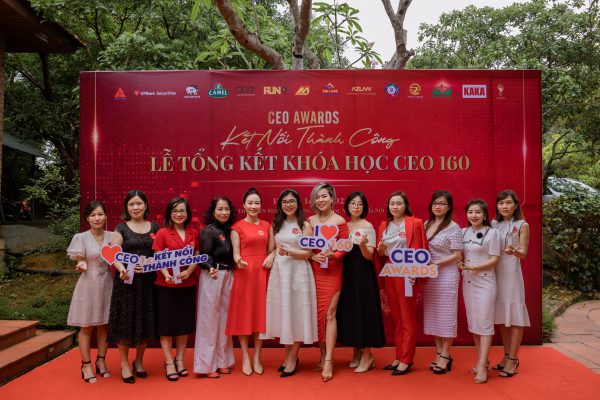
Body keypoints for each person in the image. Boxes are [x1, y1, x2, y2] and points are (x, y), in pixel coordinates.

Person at [262, 189, 318, 378]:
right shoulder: (275, 224)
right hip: (280, 273)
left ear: (298, 204)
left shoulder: (305, 225)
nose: (288, 205)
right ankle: (287, 355)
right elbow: (271, 248)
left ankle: (293, 357)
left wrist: (291, 252)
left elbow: (308, 253)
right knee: (284, 313)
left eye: (292, 201)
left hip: (299, 272)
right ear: (280, 205)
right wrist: (272, 254)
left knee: (297, 313)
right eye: (284, 202)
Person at [107, 189, 159, 384]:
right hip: (126, 283)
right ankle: (124, 363)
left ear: (145, 205)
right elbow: (113, 254)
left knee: (145, 319)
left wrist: (151, 263)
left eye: (139, 203)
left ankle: (139, 361)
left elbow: (160, 254)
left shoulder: (155, 227)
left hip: (148, 283)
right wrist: (122, 269)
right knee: (126, 321)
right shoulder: (120, 228)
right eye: (131, 204)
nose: (135, 207)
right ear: (126, 207)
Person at [376, 191, 427, 376]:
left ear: (405, 205)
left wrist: (416, 273)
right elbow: (381, 254)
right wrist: (380, 250)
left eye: (399, 203)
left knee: (407, 317)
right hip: (390, 270)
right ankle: (399, 356)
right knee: (397, 318)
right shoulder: (384, 225)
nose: (395, 206)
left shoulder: (416, 223)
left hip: (407, 270)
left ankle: (407, 359)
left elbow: (422, 250)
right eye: (392, 204)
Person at [226, 187, 275, 376]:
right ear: (244, 205)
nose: (254, 206)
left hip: (262, 273)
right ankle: (246, 356)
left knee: (260, 315)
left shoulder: (267, 225)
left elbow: (272, 248)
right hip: (244, 273)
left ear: (261, 205)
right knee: (244, 315)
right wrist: (238, 259)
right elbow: (235, 252)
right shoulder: (237, 227)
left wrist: (271, 255)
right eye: (250, 203)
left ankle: (257, 357)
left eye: (257, 203)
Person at [337, 191, 385, 373]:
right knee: (352, 311)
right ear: (347, 206)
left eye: (360, 204)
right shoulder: (344, 225)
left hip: (363, 274)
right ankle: (356, 351)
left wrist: (363, 245)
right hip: (347, 273)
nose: (356, 207)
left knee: (364, 311)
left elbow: (369, 256)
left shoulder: (368, 226)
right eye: (353, 203)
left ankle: (367, 354)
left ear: (364, 207)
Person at [152, 197, 199, 381]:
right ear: (169, 214)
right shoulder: (162, 233)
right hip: (167, 285)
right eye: (175, 211)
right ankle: (169, 361)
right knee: (167, 325)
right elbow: (158, 257)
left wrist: (189, 271)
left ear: (187, 213)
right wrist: (166, 275)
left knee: (183, 325)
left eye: (182, 211)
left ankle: (180, 360)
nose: (179, 214)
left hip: (187, 284)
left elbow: (197, 255)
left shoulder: (193, 233)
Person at [67, 200, 113, 383]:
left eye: (100, 214)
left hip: (108, 282)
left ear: (106, 216)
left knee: (104, 325)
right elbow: (80, 259)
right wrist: (81, 264)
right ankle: (86, 364)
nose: (97, 218)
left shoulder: (113, 236)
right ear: (87, 218)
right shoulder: (81, 237)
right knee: (86, 326)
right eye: (93, 215)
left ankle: (101, 360)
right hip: (88, 283)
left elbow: (119, 258)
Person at [307, 182, 349, 382]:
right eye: (317, 197)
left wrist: (335, 255)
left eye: (324, 196)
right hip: (314, 272)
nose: (320, 200)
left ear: (332, 198)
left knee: (330, 313)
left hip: (333, 272)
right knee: (318, 315)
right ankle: (322, 353)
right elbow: (305, 246)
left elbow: (345, 246)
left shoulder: (340, 221)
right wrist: (312, 256)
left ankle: (330, 360)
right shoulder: (310, 221)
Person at [194, 195, 237, 378]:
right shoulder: (208, 231)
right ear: (213, 212)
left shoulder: (230, 231)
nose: (224, 212)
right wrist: (209, 267)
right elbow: (202, 256)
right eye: (220, 209)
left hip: (228, 274)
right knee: (209, 319)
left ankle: (222, 361)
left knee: (225, 319)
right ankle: (207, 365)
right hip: (213, 274)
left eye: (226, 209)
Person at [458, 198, 501, 384]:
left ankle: (483, 366)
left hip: (485, 282)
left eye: (477, 212)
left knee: (484, 323)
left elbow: (494, 260)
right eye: (470, 212)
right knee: (474, 322)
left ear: (484, 215)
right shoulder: (462, 231)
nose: (473, 215)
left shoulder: (493, 233)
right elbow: (459, 254)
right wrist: (460, 262)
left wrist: (474, 267)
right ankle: (482, 359)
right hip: (468, 282)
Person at [422, 190, 463, 374]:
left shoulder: (454, 227)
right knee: (434, 315)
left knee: (446, 315)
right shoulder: (426, 224)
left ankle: (446, 354)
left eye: (442, 203)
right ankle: (438, 351)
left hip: (447, 275)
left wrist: (435, 263)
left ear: (449, 207)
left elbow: (457, 255)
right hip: (430, 276)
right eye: (435, 203)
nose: (438, 206)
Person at [492, 189, 531, 378]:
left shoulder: (522, 225)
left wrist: (514, 250)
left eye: (508, 202)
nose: (504, 206)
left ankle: (514, 359)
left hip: (512, 274)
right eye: (501, 203)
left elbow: (523, 252)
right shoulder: (494, 224)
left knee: (514, 317)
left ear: (515, 205)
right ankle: (506, 355)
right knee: (502, 317)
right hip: (495, 273)